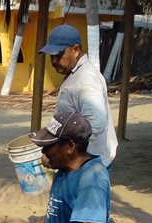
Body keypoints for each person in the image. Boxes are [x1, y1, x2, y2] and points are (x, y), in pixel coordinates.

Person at [39, 24, 118, 168]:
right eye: (52, 56)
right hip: (77, 163)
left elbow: (95, 123)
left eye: (59, 55)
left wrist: (63, 151)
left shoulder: (87, 79)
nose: (54, 61)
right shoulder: (75, 74)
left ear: (75, 50)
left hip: (88, 165)